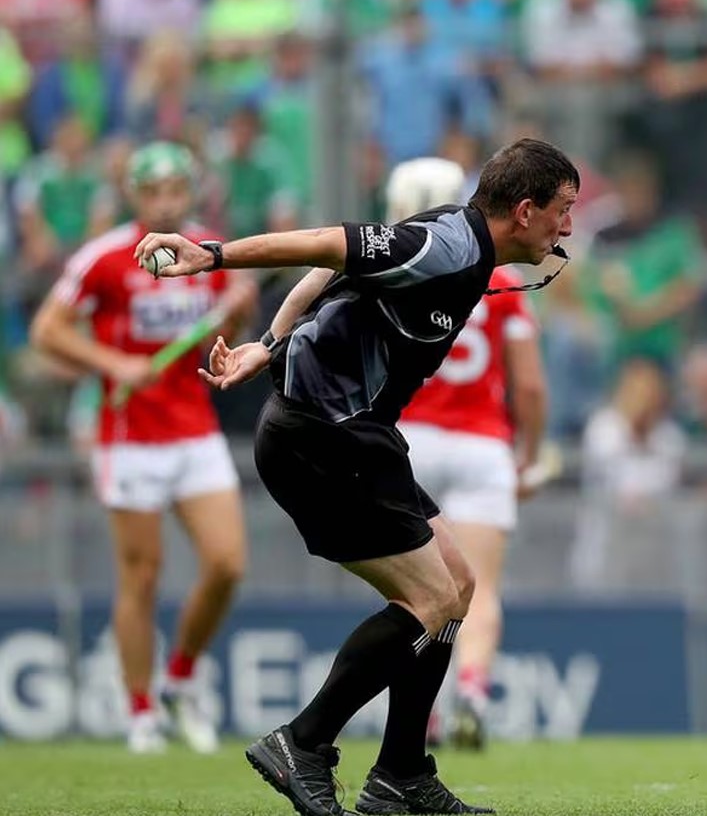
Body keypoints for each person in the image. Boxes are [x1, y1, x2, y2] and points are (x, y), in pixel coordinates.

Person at [137, 138, 576, 816]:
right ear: (524, 211)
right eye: (563, 211)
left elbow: (327, 273)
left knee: (457, 584)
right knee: (431, 600)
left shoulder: (454, 237)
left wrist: (272, 343)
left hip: (352, 438)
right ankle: (303, 742)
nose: (568, 227)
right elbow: (323, 245)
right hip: (322, 438)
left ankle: (400, 774)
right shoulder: (448, 249)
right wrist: (212, 256)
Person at [29, 141, 255, 755]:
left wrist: (235, 315)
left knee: (227, 563)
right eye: (151, 192)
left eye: (175, 190)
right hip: (129, 438)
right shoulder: (103, 259)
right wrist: (114, 364)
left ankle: (179, 681)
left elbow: (220, 345)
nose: (165, 203)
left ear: (191, 192)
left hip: (193, 430)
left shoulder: (207, 250)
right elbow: (46, 329)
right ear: (134, 195)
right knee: (142, 578)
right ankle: (140, 713)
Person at [383, 157, 551, 752]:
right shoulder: (497, 276)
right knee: (480, 586)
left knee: (417, 592)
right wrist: (527, 457)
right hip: (481, 444)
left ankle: (420, 714)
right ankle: (473, 693)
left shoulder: (394, 265)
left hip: (410, 440)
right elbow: (528, 385)